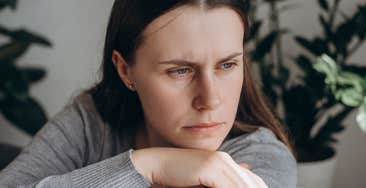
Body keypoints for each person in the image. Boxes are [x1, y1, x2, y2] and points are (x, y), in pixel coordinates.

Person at [0, 0, 297, 187]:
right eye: (180, 70)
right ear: (125, 70)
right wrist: (149, 166)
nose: (210, 99)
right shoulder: (93, 120)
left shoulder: (265, 161)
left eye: (228, 64)